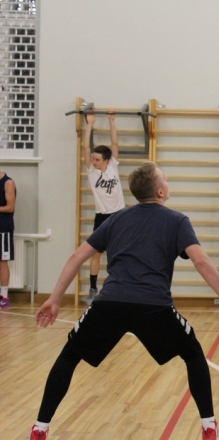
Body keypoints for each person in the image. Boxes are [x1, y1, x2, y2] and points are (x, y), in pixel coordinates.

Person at [23, 161, 219, 440]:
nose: (167, 181)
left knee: (69, 355)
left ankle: (39, 432)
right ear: (160, 191)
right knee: (193, 353)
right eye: (165, 177)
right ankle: (210, 431)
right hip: (153, 306)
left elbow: (78, 256)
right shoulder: (177, 220)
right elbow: (201, 261)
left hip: (110, 303)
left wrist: (54, 298)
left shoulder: (115, 219)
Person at [83, 111, 125, 305]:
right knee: (96, 254)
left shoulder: (113, 166)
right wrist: (90, 123)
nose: (94, 162)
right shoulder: (92, 172)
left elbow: (114, 143)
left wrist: (111, 122)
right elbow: (85, 146)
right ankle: (93, 289)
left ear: (106, 160)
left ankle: (119, 289)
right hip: (102, 217)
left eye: (97, 159)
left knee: (119, 254)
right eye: (93, 158)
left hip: (119, 215)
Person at [0, 170, 16, 308]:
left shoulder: (8, 182)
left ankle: (4, 296)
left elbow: (10, 207)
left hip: (3, 228)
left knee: (2, 261)